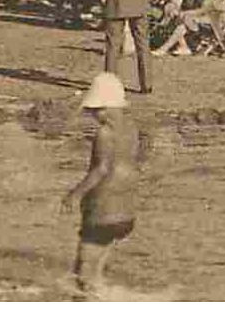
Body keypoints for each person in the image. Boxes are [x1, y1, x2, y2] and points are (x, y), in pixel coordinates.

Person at [61, 72, 136, 299]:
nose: (94, 116)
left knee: (81, 275)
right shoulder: (132, 129)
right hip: (126, 211)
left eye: (95, 110)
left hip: (103, 210)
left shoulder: (105, 133)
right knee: (98, 269)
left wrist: (74, 195)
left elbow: (101, 169)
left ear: (104, 106)